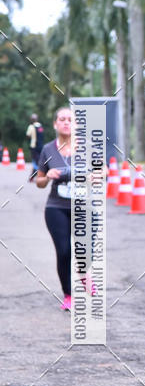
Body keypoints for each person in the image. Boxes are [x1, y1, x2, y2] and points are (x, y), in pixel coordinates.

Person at [36, 108, 73, 310]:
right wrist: (47, 176)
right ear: (55, 124)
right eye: (62, 119)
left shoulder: (86, 148)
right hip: (56, 207)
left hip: (83, 207)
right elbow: (38, 181)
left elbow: (102, 170)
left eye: (70, 119)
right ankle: (68, 295)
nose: (66, 123)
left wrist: (97, 175)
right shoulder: (48, 150)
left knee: (87, 251)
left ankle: (85, 276)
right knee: (64, 250)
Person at [26, 113, 45, 181]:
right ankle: (35, 176)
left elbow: (28, 135)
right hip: (41, 146)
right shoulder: (40, 126)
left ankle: (33, 176)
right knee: (38, 161)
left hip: (34, 147)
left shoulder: (31, 127)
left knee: (36, 162)